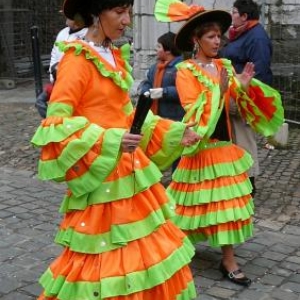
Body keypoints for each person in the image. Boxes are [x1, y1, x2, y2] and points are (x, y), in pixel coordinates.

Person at [31, 0, 201, 299]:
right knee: (103, 261)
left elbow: (126, 115)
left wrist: (174, 131)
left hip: (130, 173)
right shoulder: (76, 60)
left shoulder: (111, 55)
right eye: (119, 12)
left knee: (146, 254)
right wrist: (110, 140)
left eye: (129, 13)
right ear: (97, 13)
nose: (127, 21)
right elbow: (56, 123)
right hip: (103, 179)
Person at [155, 0, 284, 287]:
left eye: (218, 36)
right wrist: (220, 89)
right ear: (196, 40)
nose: (217, 41)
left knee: (225, 203)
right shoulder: (186, 70)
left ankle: (228, 259)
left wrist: (244, 85)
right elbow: (192, 109)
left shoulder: (224, 65)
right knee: (189, 204)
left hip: (224, 145)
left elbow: (235, 103)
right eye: (211, 37)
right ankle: (176, 250)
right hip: (200, 144)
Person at [219, 0, 273, 196]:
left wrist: (248, 100)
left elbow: (260, 71)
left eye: (234, 12)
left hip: (244, 96)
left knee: (245, 140)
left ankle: (249, 184)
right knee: (235, 138)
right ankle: (238, 179)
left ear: (244, 16)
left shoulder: (256, 37)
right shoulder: (240, 33)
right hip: (234, 92)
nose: (231, 15)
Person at [138, 31, 185, 172]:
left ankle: (178, 182)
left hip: (176, 118)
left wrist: (163, 92)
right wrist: (146, 90)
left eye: (158, 47)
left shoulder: (181, 67)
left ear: (168, 50)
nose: (155, 50)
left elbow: (183, 90)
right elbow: (147, 82)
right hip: (157, 118)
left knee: (178, 152)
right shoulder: (155, 67)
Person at [49, 17, 87, 82]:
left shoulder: (87, 35)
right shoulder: (63, 32)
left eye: (70, 15)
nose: (66, 17)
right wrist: (52, 77)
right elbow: (54, 55)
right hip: (57, 80)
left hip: (75, 82)